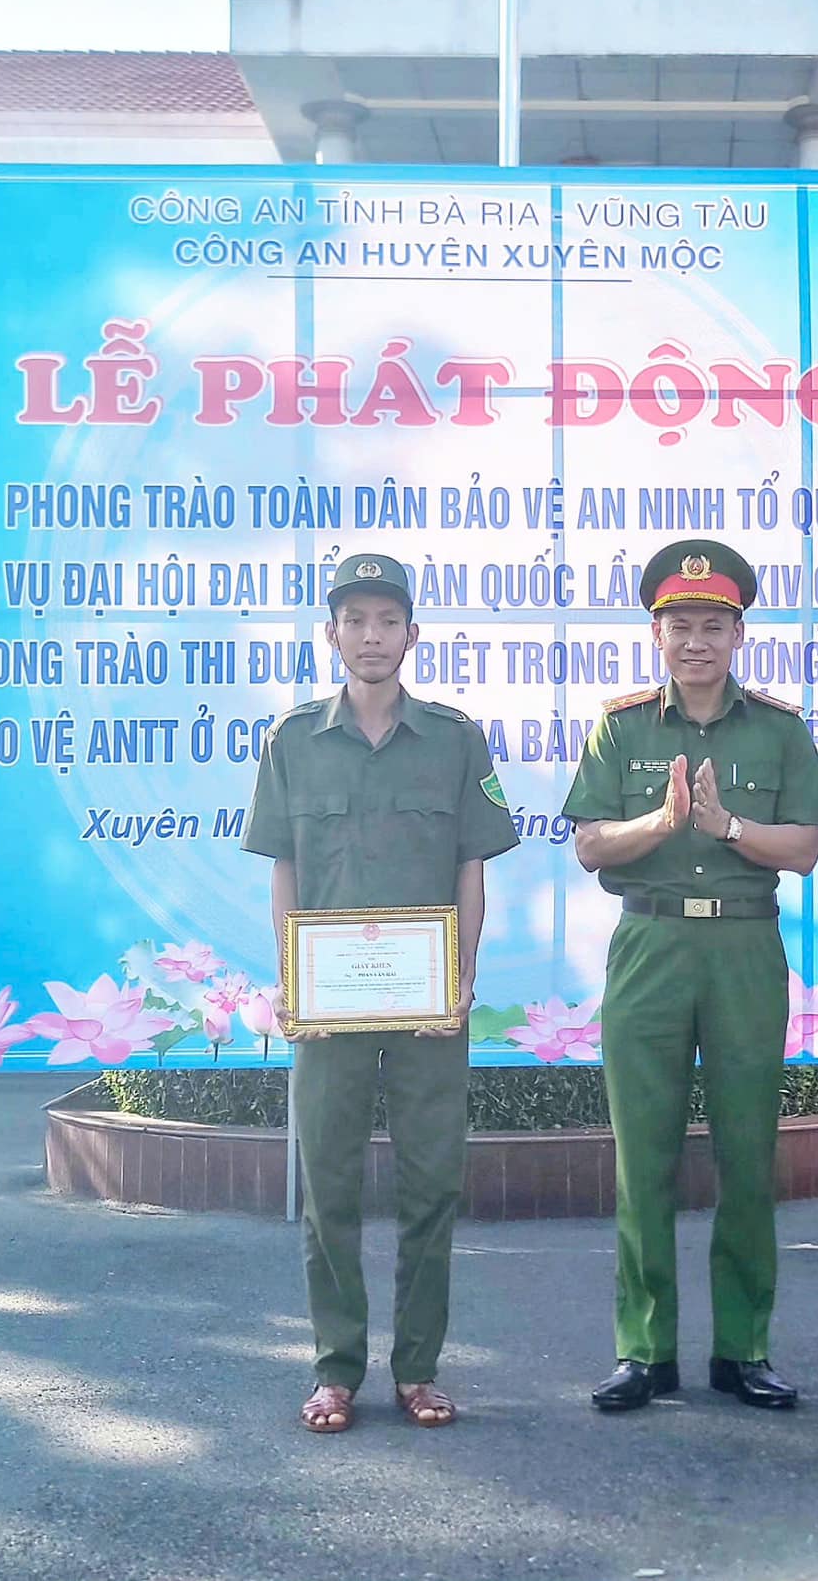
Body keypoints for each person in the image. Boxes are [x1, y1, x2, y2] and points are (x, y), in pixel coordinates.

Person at [242, 551, 521, 1435]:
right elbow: (284, 867)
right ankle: (335, 1369)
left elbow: (472, 867)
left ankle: (419, 1369)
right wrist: (291, 975)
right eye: (354, 620)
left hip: (429, 1005)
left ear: (410, 634)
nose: (371, 636)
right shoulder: (292, 740)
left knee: (432, 1184)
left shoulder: (455, 737)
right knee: (328, 1184)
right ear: (332, 634)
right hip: (327, 1009)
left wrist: (465, 973)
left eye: (387, 620)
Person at [562, 538, 818, 1413]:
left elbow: (803, 848)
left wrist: (724, 829)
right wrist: (664, 819)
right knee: (642, 1159)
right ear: (656, 632)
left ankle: (742, 1350)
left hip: (745, 950)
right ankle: (644, 1353)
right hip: (649, 948)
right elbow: (589, 844)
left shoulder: (779, 728)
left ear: (738, 633)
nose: (696, 642)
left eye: (713, 625)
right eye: (680, 625)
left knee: (747, 1156)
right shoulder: (621, 725)